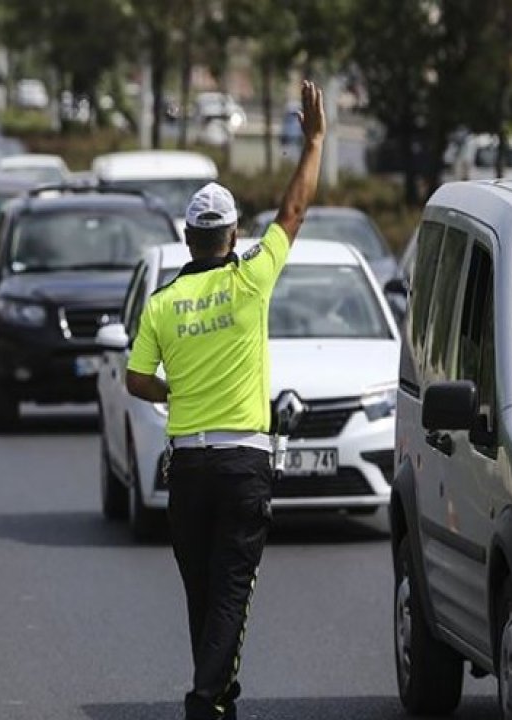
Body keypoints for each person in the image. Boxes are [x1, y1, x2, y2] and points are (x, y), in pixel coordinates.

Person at [124, 79, 327, 720]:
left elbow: (134, 380)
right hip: (243, 463)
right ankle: (204, 699)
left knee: (202, 592)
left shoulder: (161, 304)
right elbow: (293, 211)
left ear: (188, 239)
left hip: (187, 467)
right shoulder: (249, 281)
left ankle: (218, 702)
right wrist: (314, 140)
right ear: (234, 235)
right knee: (231, 594)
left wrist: (172, 388)